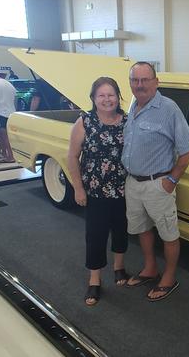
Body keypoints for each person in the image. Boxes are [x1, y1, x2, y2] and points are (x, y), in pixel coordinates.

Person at [123, 62, 189, 301]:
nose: (140, 85)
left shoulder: (168, 109)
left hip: (158, 184)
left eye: (145, 80)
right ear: (131, 82)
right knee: (142, 229)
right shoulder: (134, 105)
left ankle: (169, 276)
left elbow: (187, 149)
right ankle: (150, 268)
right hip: (134, 183)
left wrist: (171, 180)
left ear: (156, 82)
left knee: (168, 233)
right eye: (135, 80)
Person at [67, 77, 129, 306]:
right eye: (101, 95)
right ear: (93, 98)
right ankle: (94, 281)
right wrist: (78, 188)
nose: (107, 99)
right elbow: (72, 156)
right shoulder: (85, 122)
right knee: (96, 236)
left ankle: (119, 268)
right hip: (94, 192)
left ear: (118, 97)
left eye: (111, 94)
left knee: (122, 231)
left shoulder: (127, 122)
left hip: (124, 190)